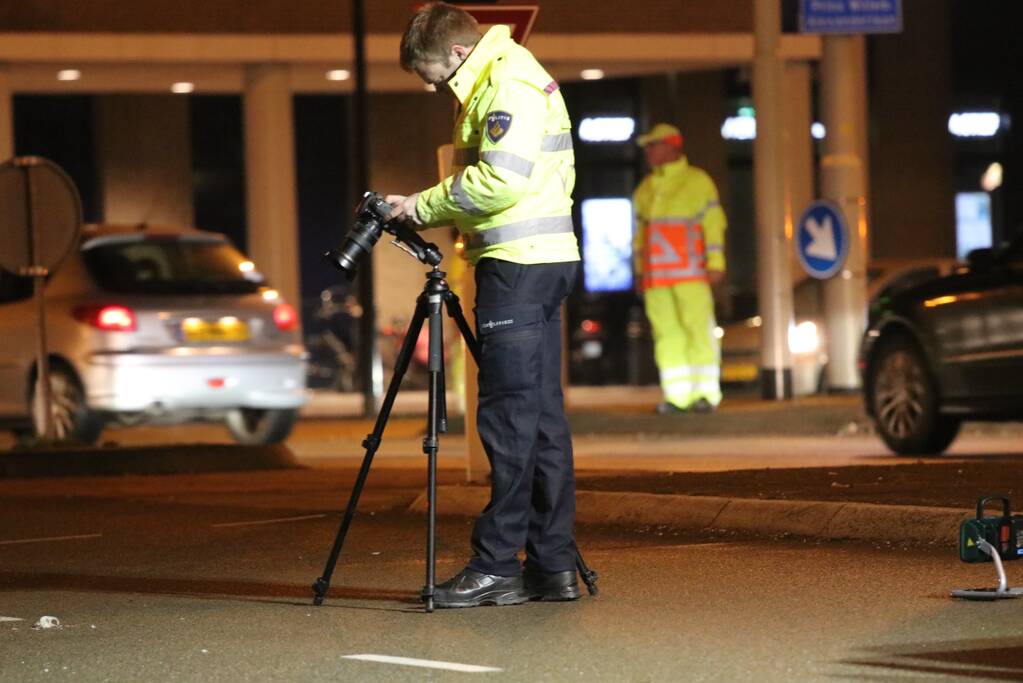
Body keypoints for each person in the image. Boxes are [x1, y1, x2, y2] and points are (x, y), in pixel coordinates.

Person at [384, 2, 582, 609]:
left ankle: (496, 566)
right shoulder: (499, 77)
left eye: (434, 74)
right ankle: (551, 565)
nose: (431, 86)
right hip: (537, 261)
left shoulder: (507, 84)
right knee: (540, 420)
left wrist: (418, 207)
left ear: (458, 51)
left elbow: (499, 182)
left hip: (517, 266)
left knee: (509, 421)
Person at [632, 123, 727, 414]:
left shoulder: (697, 181)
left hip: (692, 274)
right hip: (656, 279)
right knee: (666, 336)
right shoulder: (645, 188)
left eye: (653, 145)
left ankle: (706, 394)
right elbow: (639, 236)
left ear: (672, 145)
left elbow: (713, 224)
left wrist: (716, 263)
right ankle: (677, 395)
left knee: (698, 332)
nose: (648, 151)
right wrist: (639, 270)